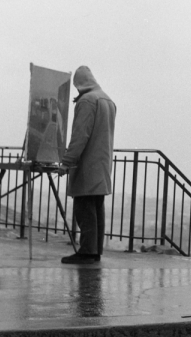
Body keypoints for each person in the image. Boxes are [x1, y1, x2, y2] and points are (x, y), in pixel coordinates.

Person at [58, 66, 117, 264]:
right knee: (96, 209)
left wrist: (67, 162)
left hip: (87, 165)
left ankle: (86, 251)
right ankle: (94, 251)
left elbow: (79, 136)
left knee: (84, 209)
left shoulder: (87, 101)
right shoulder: (107, 99)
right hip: (102, 165)